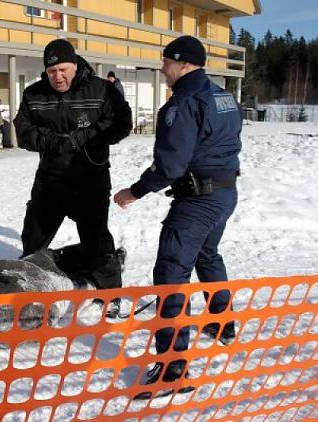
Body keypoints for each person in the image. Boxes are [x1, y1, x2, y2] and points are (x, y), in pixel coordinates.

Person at [113, 35, 242, 391]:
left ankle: (173, 369)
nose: (162, 68)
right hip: (225, 192)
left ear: (183, 63)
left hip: (197, 201)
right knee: (207, 254)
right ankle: (222, 321)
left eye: (166, 62)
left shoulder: (182, 103)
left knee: (171, 276)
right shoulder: (224, 95)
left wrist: (134, 191)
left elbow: (171, 164)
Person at [13, 38, 133, 290]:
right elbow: (22, 131)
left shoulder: (101, 89)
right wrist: (51, 141)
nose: (57, 77)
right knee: (33, 237)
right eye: (51, 71)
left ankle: (109, 293)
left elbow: (122, 122)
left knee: (95, 238)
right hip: (50, 180)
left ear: (75, 66)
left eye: (62, 70)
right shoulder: (33, 94)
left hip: (91, 179)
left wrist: (87, 137)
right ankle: (28, 286)